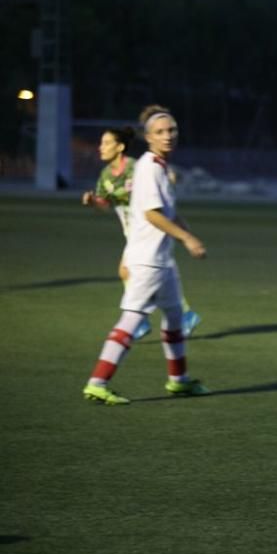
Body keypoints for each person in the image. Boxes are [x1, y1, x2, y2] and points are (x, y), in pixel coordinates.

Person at [82, 105, 210, 405]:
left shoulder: (158, 166)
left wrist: (187, 232)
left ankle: (179, 381)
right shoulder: (150, 167)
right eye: (160, 132)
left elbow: (169, 213)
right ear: (148, 138)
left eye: (172, 130)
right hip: (147, 259)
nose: (168, 136)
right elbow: (153, 215)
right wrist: (187, 238)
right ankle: (97, 382)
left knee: (176, 318)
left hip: (161, 260)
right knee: (130, 320)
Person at [81, 127, 201, 339]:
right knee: (152, 274)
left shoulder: (136, 168)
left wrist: (168, 177)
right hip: (133, 231)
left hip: (149, 229)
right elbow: (105, 204)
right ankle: (180, 316)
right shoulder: (106, 175)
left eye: (106, 143)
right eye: (101, 143)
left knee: (129, 270)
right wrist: (93, 201)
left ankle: (142, 321)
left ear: (120, 147)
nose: (101, 147)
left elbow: (158, 178)